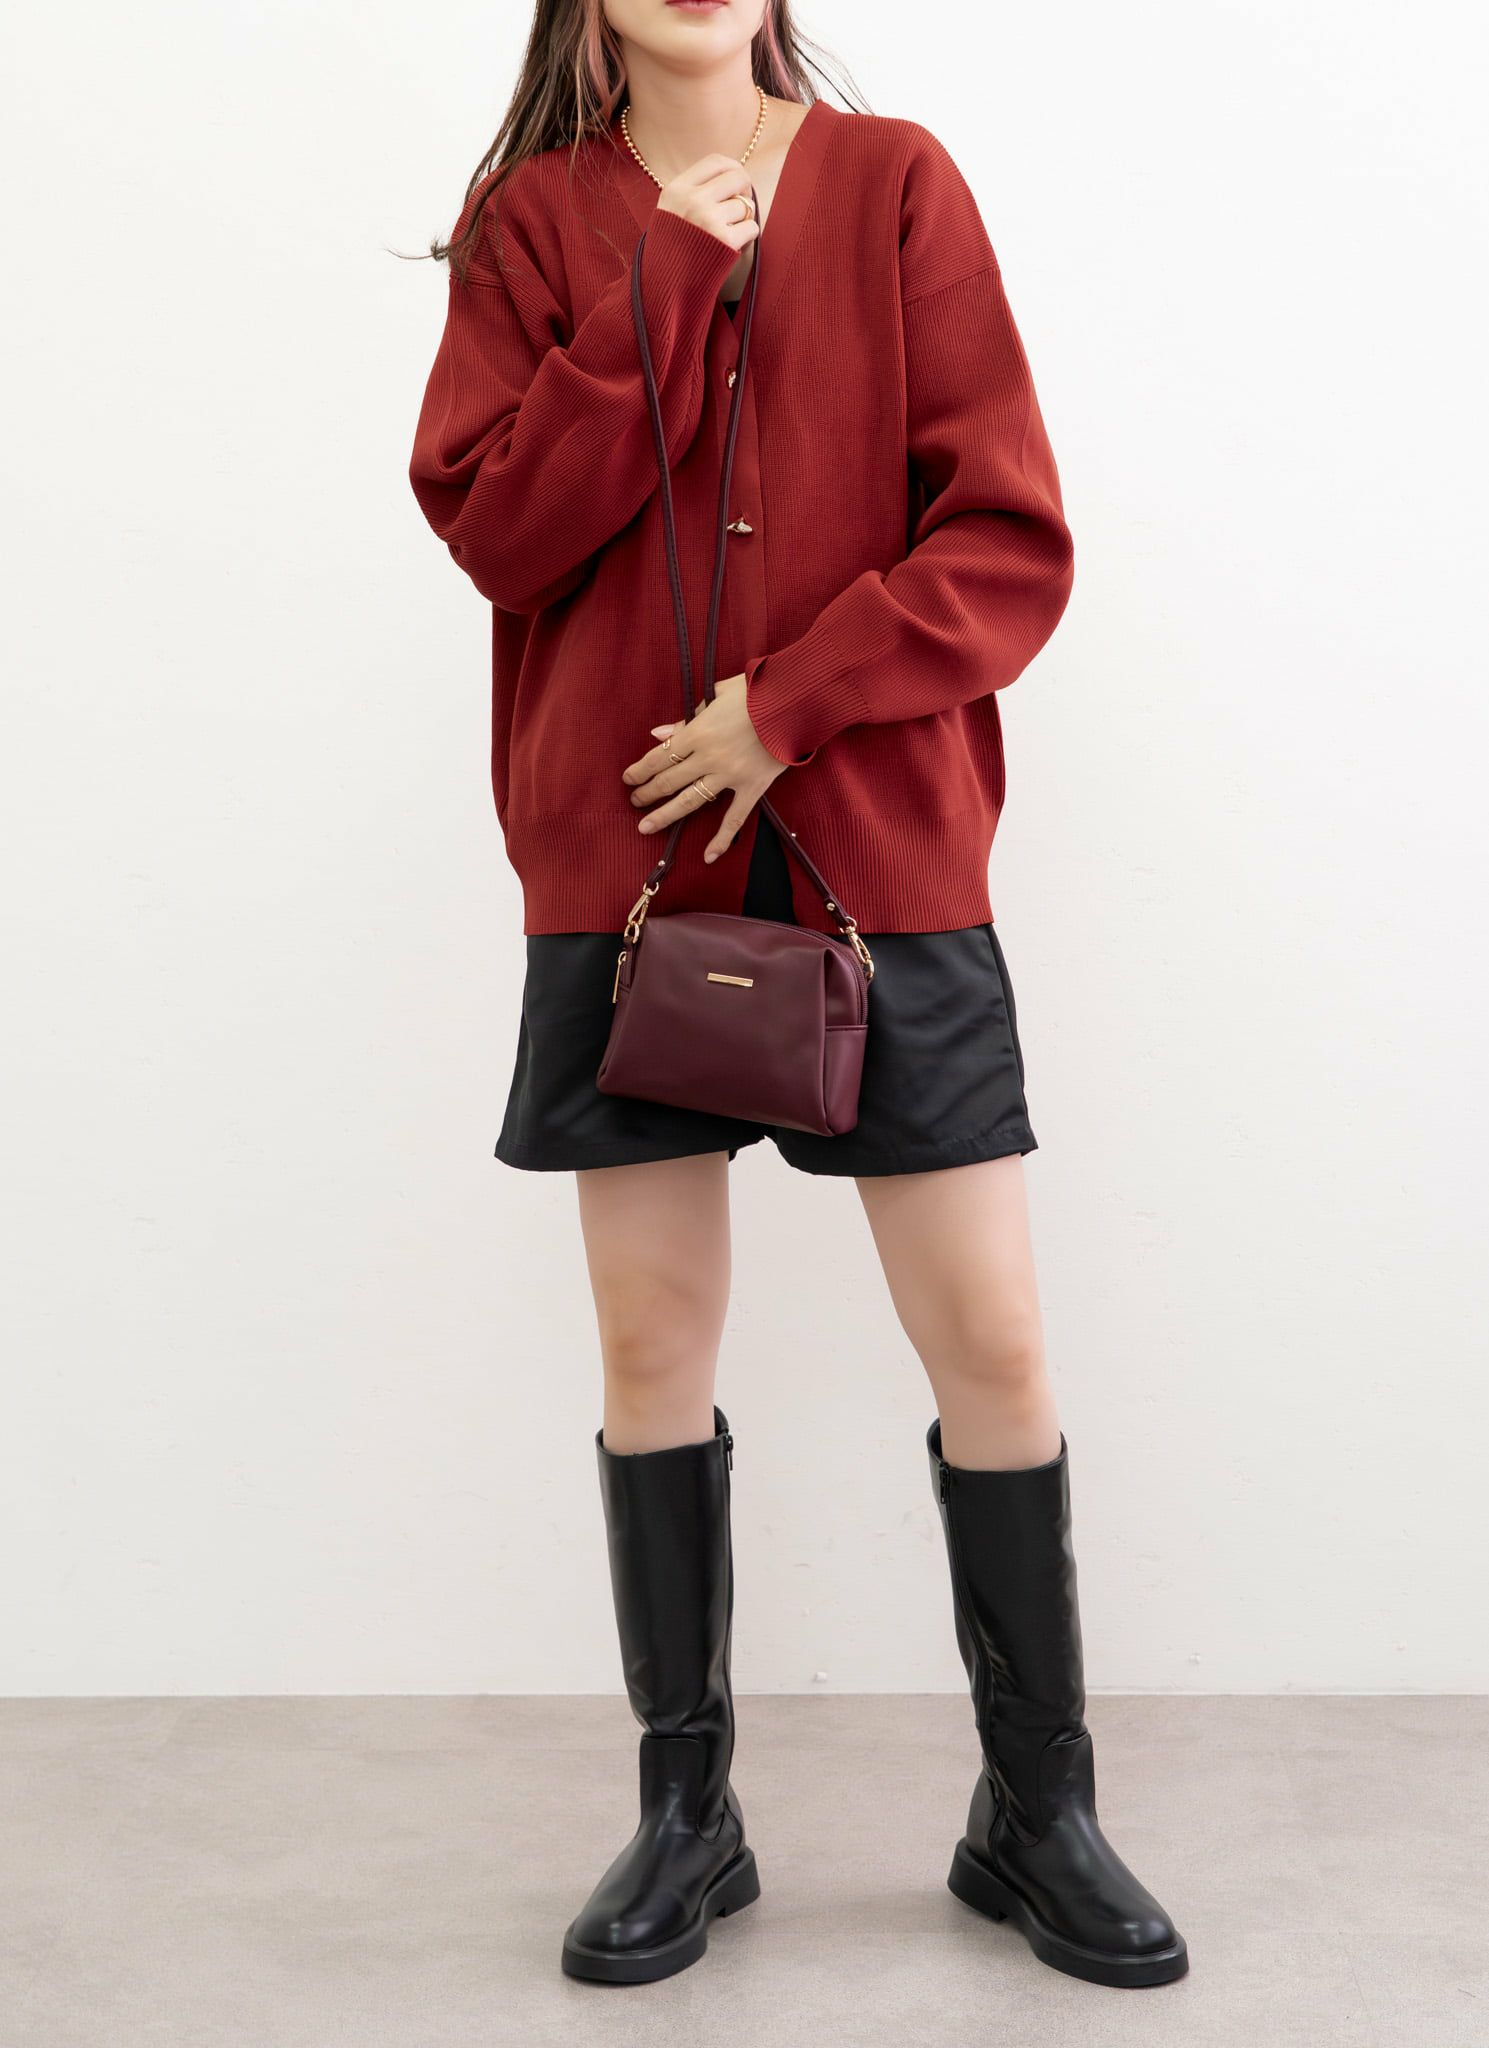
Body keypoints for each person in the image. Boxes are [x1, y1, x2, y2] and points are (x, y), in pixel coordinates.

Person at [408, 0, 1187, 1993]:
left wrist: (787, 707)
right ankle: (688, 1813)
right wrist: (663, 281)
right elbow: (500, 532)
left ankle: (1036, 1809)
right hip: (627, 869)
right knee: (650, 1338)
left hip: (880, 852)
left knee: (991, 1340)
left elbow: (1005, 536)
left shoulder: (895, 182)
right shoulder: (532, 224)